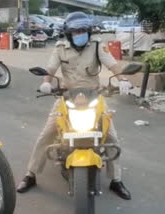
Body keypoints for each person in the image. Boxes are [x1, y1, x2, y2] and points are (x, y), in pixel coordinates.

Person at [16, 12, 132, 200]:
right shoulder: (60, 48)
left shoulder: (96, 45)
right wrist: (47, 82)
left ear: (88, 31)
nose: (80, 34)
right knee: (47, 134)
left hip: (94, 97)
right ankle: (31, 174)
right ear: (69, 34)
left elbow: (113, 65)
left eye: (83, 31)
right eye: (76, 31)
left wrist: (123, 79)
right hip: (67, 96)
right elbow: (51, 69)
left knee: (111, 136)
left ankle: (116, 180)